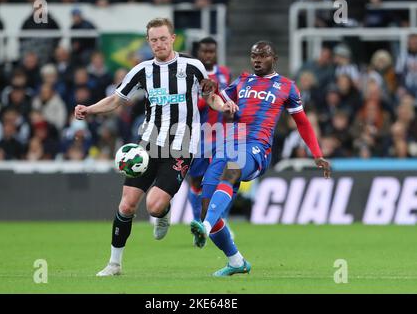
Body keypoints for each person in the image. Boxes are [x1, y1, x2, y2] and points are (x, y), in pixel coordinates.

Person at [74, 17, 237, 276]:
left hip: (182, 146)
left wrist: (223, 105)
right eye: (153, 40)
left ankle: (163, 211)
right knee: (127, 205)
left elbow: (210, 97)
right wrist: (89, 109)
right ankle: (114, 263)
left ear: (172, 38)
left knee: (153, 205)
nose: (159, 44)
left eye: (163, 38)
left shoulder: (193, 66)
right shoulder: (142, 70)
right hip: (148, 144)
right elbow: (117, 99)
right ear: (148, 42)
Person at [190, 41, 331, 276]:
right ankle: (236, 261)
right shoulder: (242, 81)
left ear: (274, 58)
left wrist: (317, 154)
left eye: (263, 56)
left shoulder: (287, 86)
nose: (257, 60)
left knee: (232, 171)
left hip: (257, 148)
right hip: (228, 144)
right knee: (208, 210)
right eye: (254, 55)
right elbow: (217, 99)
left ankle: (203, 227)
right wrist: (212, 92)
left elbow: (303, 122)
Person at [187, 37, 233, 239]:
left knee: (222, 179)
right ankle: (199, 220)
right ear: (197, 53)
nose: (208, 55)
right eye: (204, 51)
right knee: (197, 182)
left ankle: (218, 223)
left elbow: (229, 97)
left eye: (211, 51)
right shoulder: (191, 74)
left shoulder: (224, 72)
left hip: (222, 136)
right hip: (199, 135)